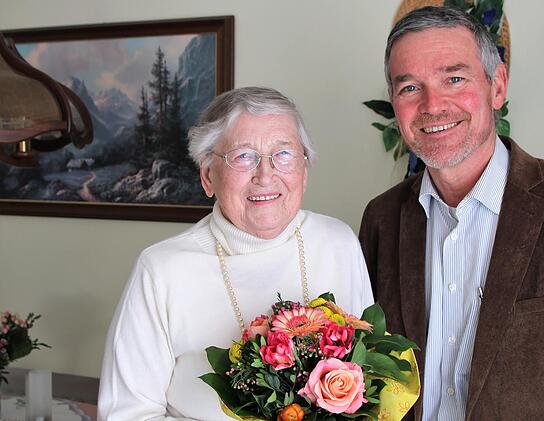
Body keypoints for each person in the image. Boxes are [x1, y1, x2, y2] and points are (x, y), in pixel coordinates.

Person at [359, 6, 544, 421]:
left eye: (454, 79)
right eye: (410, 87)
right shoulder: (382, 218)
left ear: (497, 86)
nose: (433, 104)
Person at [98, 87, 374, 420]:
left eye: (283, 154)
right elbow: (126, 414)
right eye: (243, 156)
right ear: (207, 176)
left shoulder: (338, 242)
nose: (265, 175)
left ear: (304, 170)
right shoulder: (161, 270)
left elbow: (371, 380)